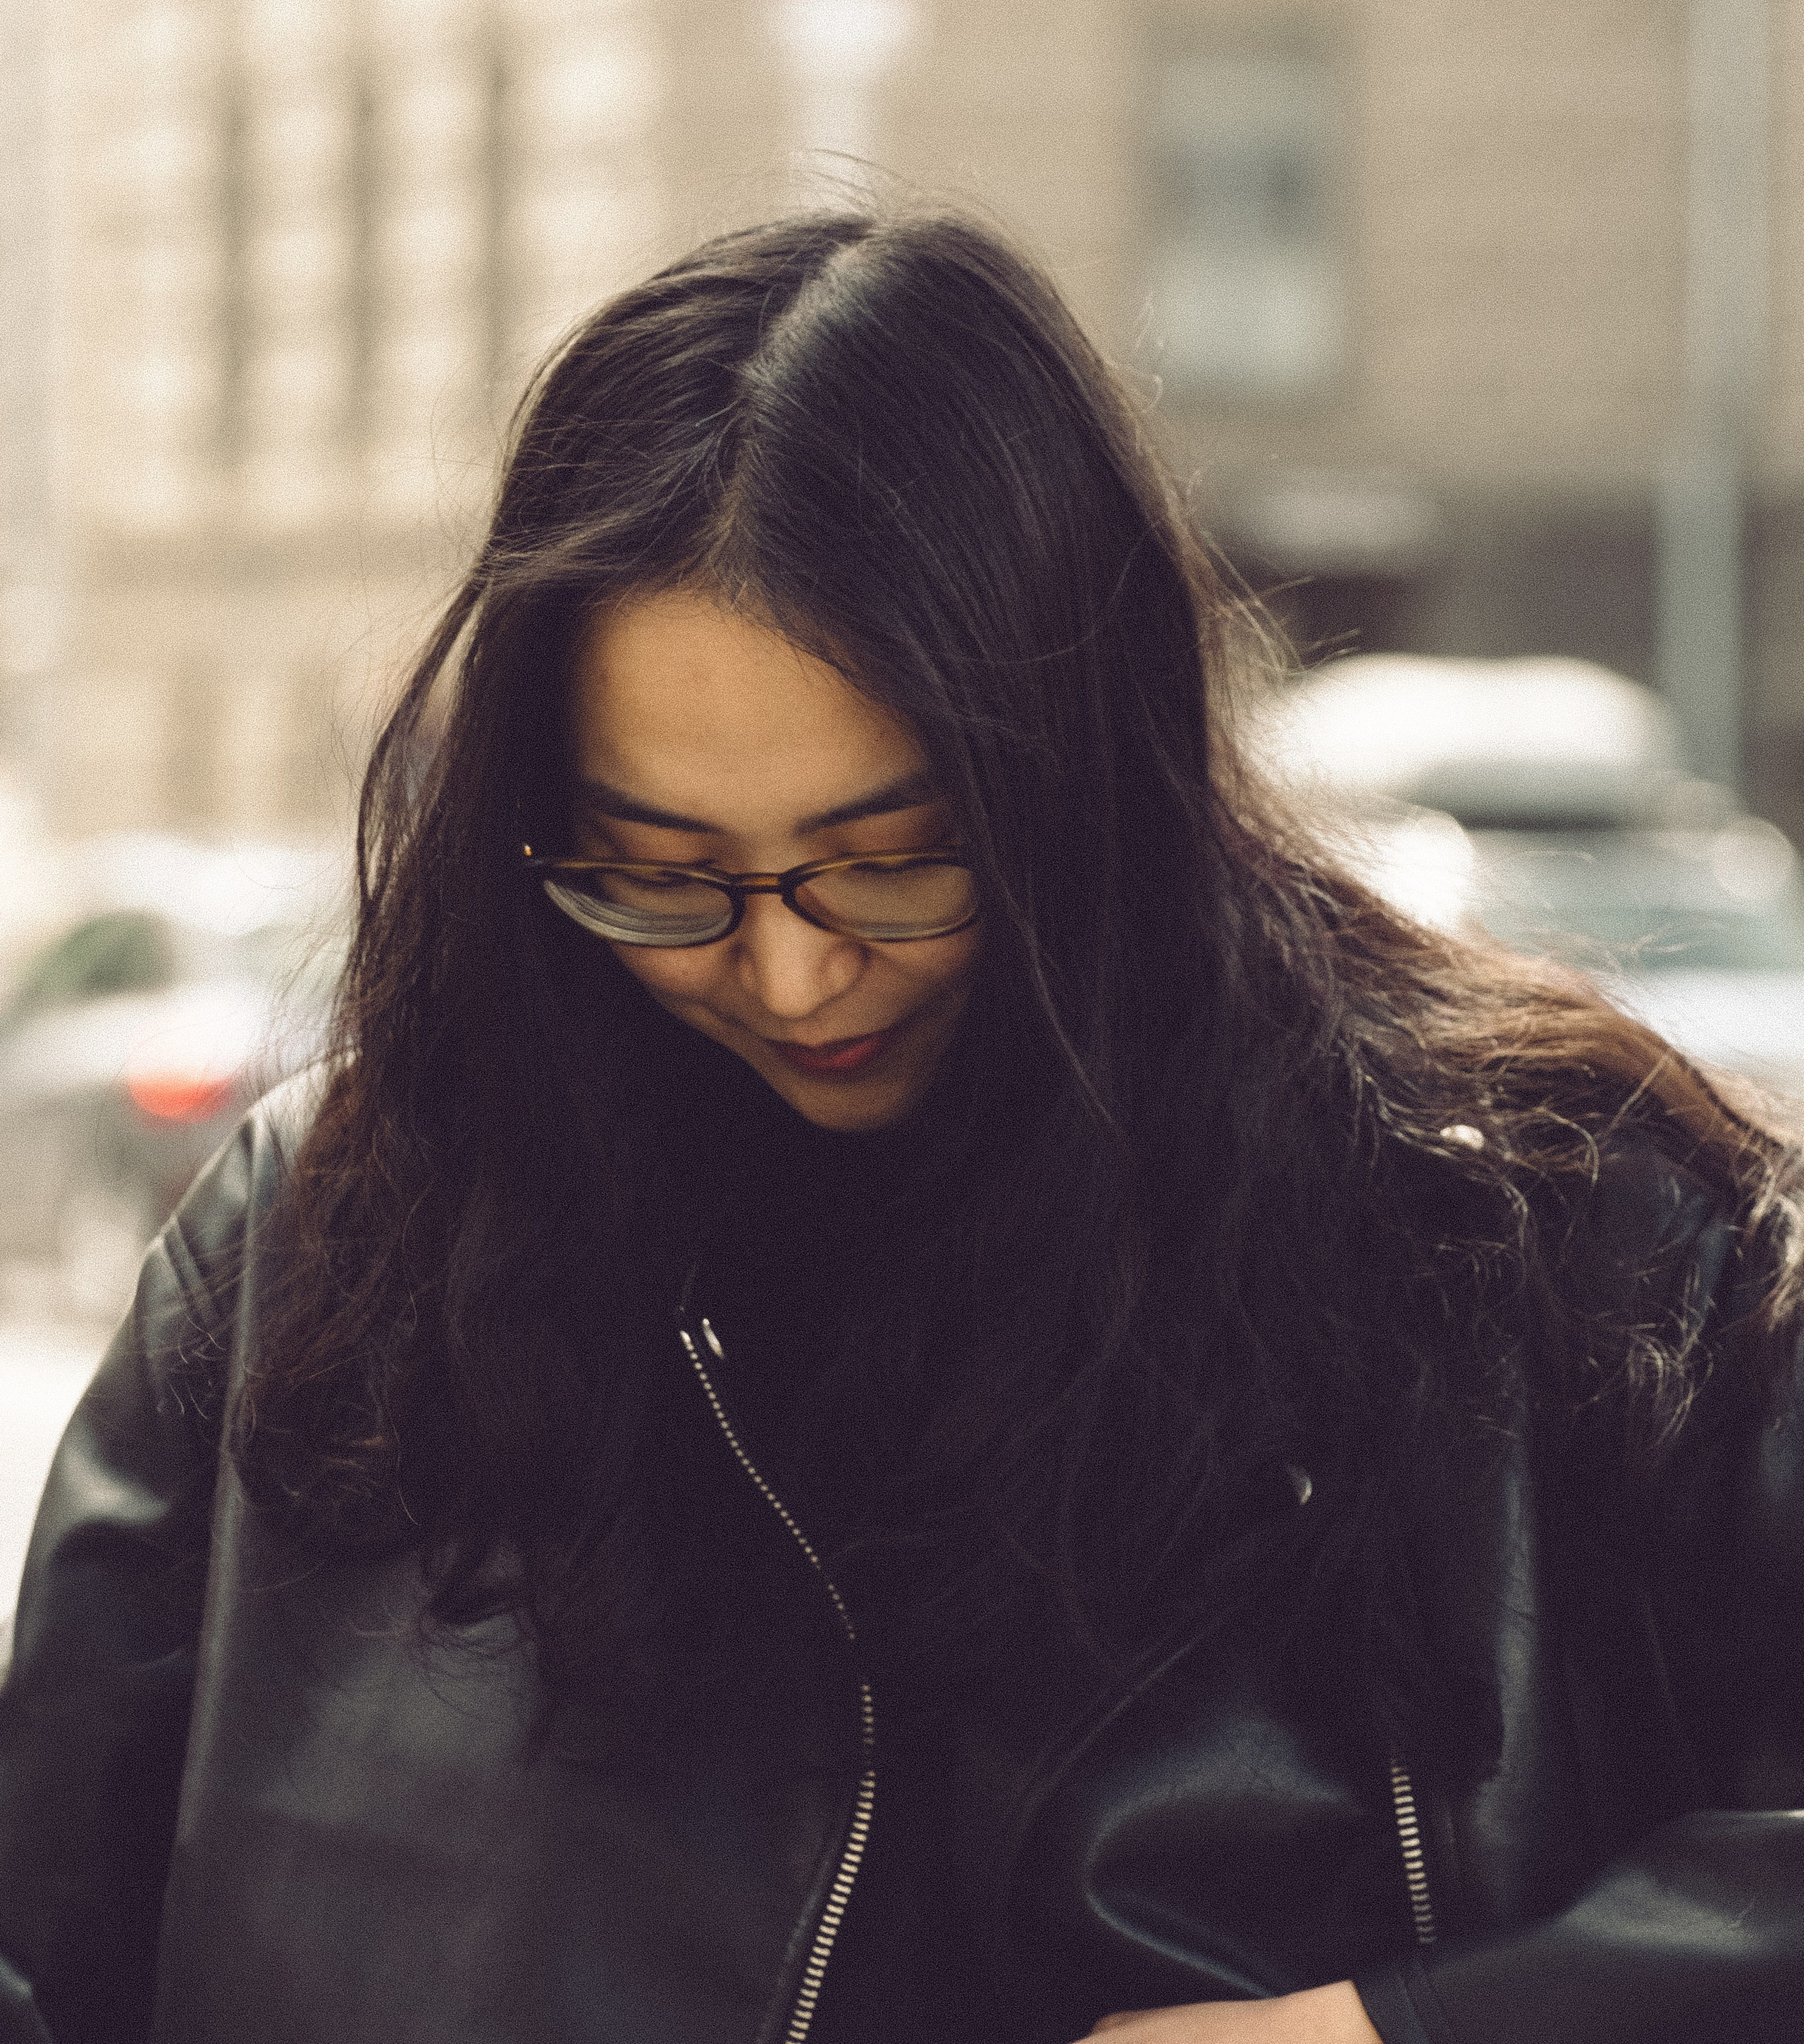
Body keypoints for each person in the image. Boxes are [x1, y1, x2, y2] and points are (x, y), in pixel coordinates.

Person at [0, 209, 1800, 2044]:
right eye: (660, 875)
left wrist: (1403, 2035)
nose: (790, 976)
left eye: (892, 861)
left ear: (1089, 777)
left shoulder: (1559, 1236)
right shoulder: (323, 1242)